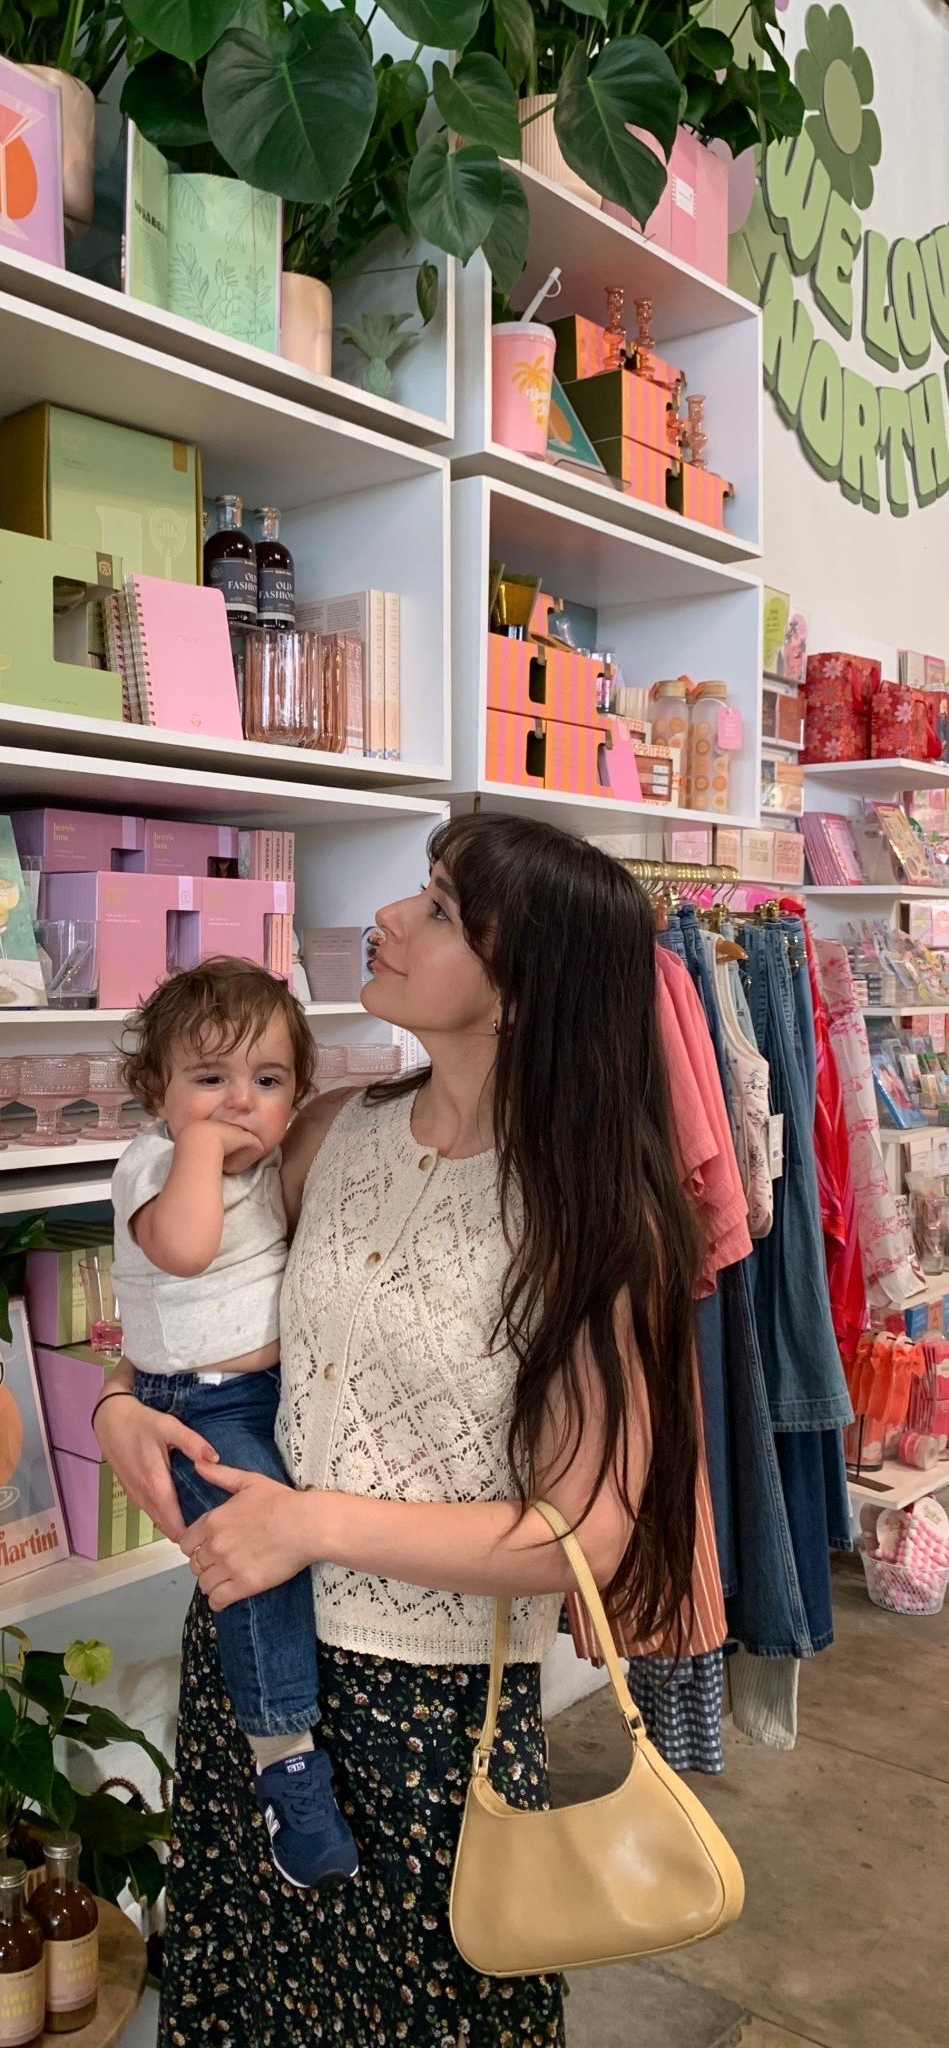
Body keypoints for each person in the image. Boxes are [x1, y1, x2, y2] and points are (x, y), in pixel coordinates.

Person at [94, 813, 704, 2046]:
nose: (387, 918)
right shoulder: (327, 1133)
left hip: (432, 1721)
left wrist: (312, 1520)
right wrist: (119, 1407)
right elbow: (191, 1303)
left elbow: (584, 1528)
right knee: (234, 2001)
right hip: (253, 1671)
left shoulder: (594, 1216)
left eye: (436, 908)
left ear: (523, 989)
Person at [103, 956, 359, 1889]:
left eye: (267, 1081)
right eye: (209, 1080)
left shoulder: (272, 1164)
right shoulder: (154, 1166)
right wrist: (203, 1148)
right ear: (156, 1092)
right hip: (199, 1404)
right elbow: (186, 1249)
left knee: (301, 1543)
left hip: (278, 1388)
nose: (238, 1104)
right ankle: (284, 1759)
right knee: (256, 1565)